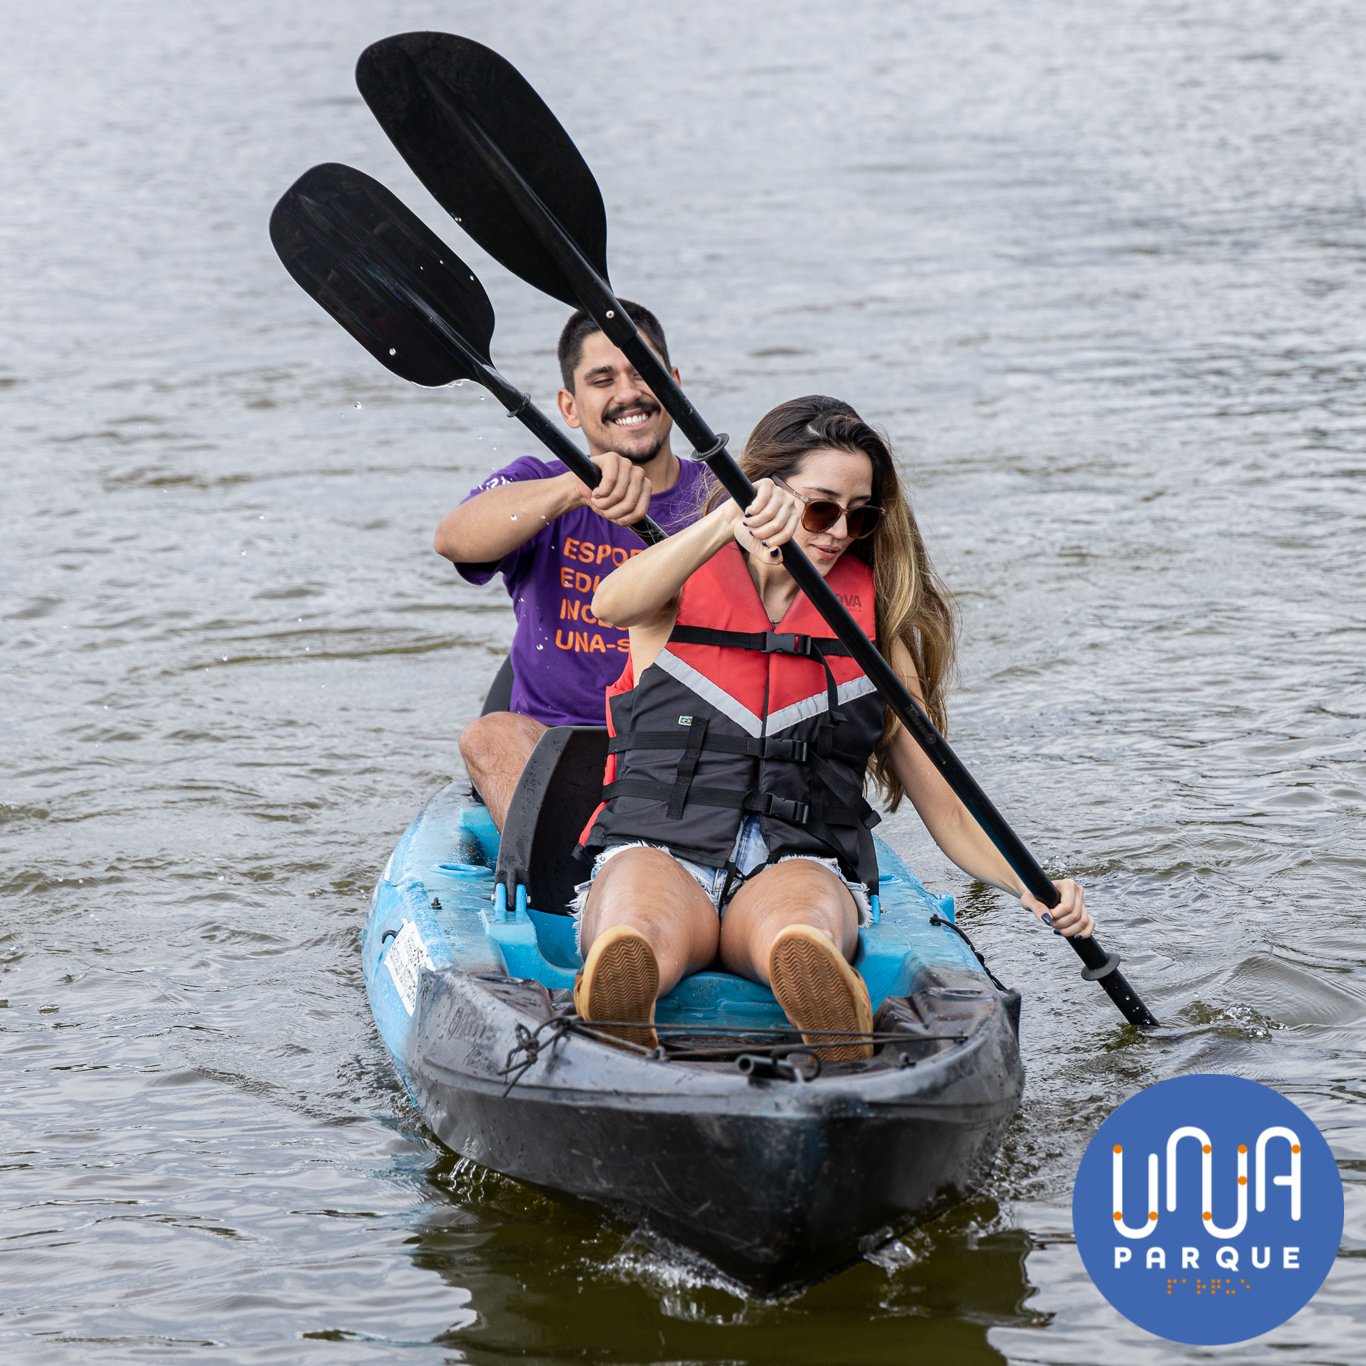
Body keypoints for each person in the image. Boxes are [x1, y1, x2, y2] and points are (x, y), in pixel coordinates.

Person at [573, 395, 1094, 1060]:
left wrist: (1031, 886)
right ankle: (626, 988)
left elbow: (949, 810)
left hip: (795, 857)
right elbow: (610, 603)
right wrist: (727, 519)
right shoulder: (676, 585)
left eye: (860, 515)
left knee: (800, 929)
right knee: (637, 927)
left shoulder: (875, 638)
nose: (839, 531)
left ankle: (816, 990)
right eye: (821, 509)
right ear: (766, 492)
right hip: (662, 845)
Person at [435, 302, 711, 829]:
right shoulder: (538, 483)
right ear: (569, 407)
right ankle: (557, 864)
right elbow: (453, 539)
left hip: (689, 747)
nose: (628, 393)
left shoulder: (721, 498)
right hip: (558, 749)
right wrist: (574, 488)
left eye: (643, 372)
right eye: (602, 380)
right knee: (487, 736)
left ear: (674, 385)